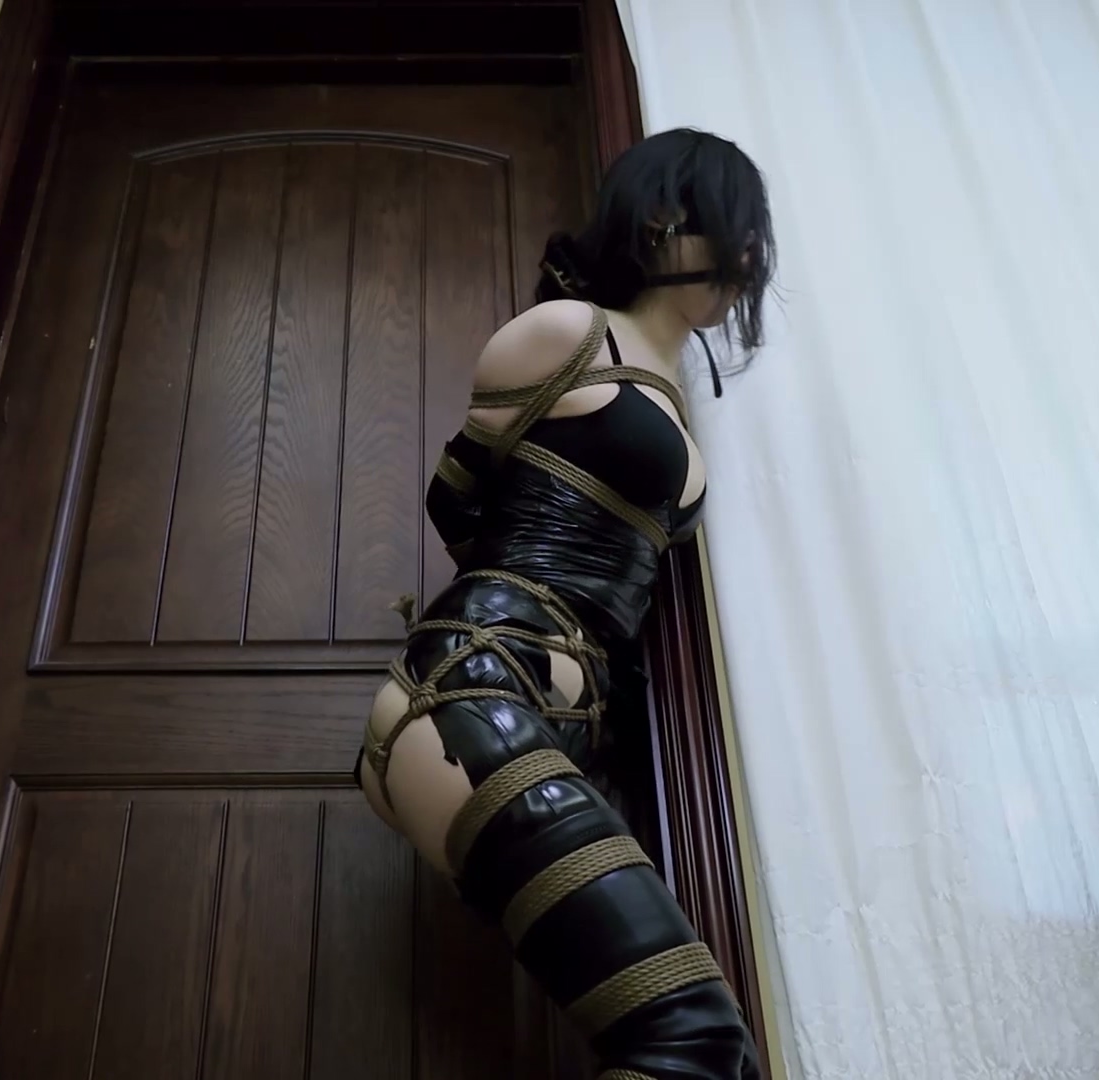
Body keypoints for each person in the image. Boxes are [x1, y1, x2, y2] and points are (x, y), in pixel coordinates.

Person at [353, 127, 775, 1080]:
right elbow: (456, 503)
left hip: (535, 722)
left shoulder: (677, 405)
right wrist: (523, 628)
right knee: (695, 1046)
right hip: (473, 694)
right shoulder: (566, 333)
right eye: (735, 227)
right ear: (663, 218)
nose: (749, 256)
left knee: (702, 1051)